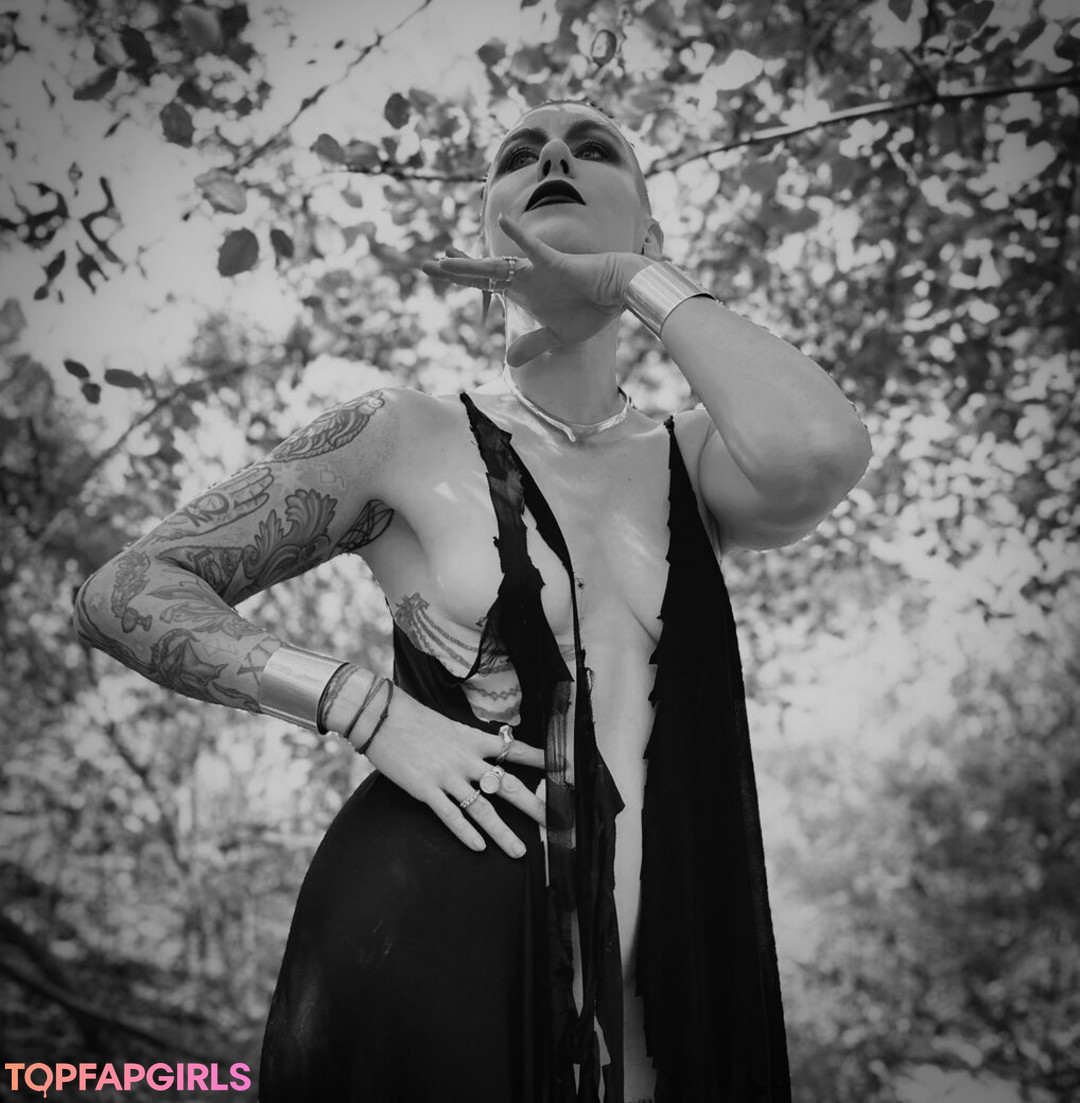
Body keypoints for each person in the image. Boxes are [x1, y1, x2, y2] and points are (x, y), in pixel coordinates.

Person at [73, 99, 871, 1102]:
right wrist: (360, 704)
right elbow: (123, 590)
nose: (553, 155)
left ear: (650, 230)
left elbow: (821, 450)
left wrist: (636, 283)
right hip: (424, 945)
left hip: (670, 1000)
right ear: (485, 236)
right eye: (518, 156)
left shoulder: (701, 457)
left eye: (593, 148)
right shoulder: (401, 433)